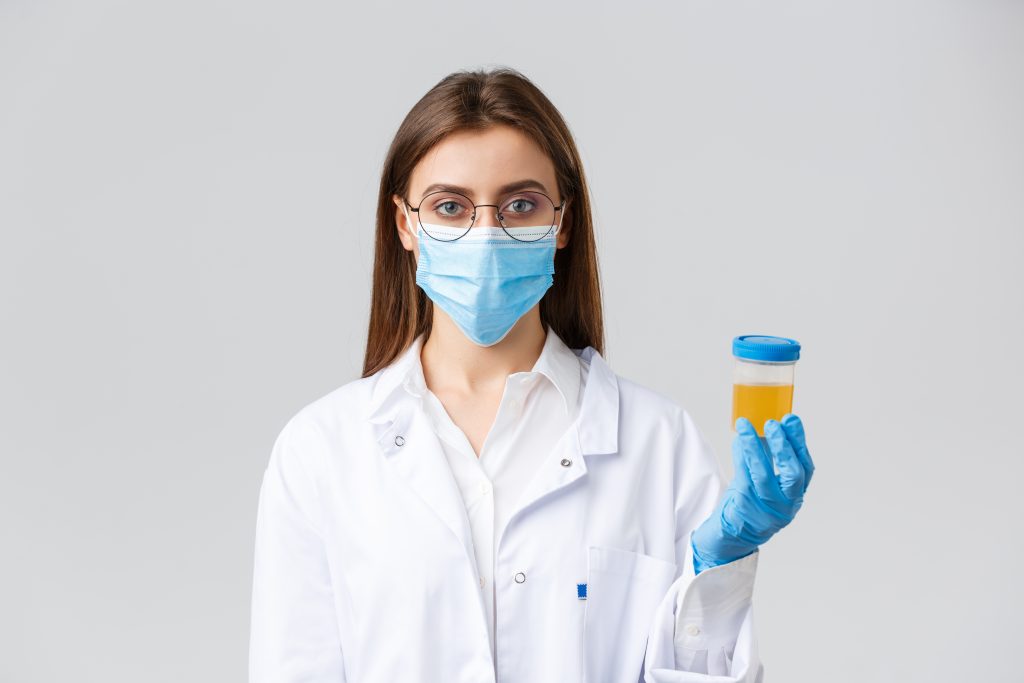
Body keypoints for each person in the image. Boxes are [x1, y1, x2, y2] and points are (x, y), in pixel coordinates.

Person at [248, 66, 815, 683]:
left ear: (563, 222)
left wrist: (718, 567)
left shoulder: (660, 442)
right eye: (449, 206)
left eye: (521, 204)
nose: (486, 233)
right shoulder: (321, 451)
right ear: (405, 223)